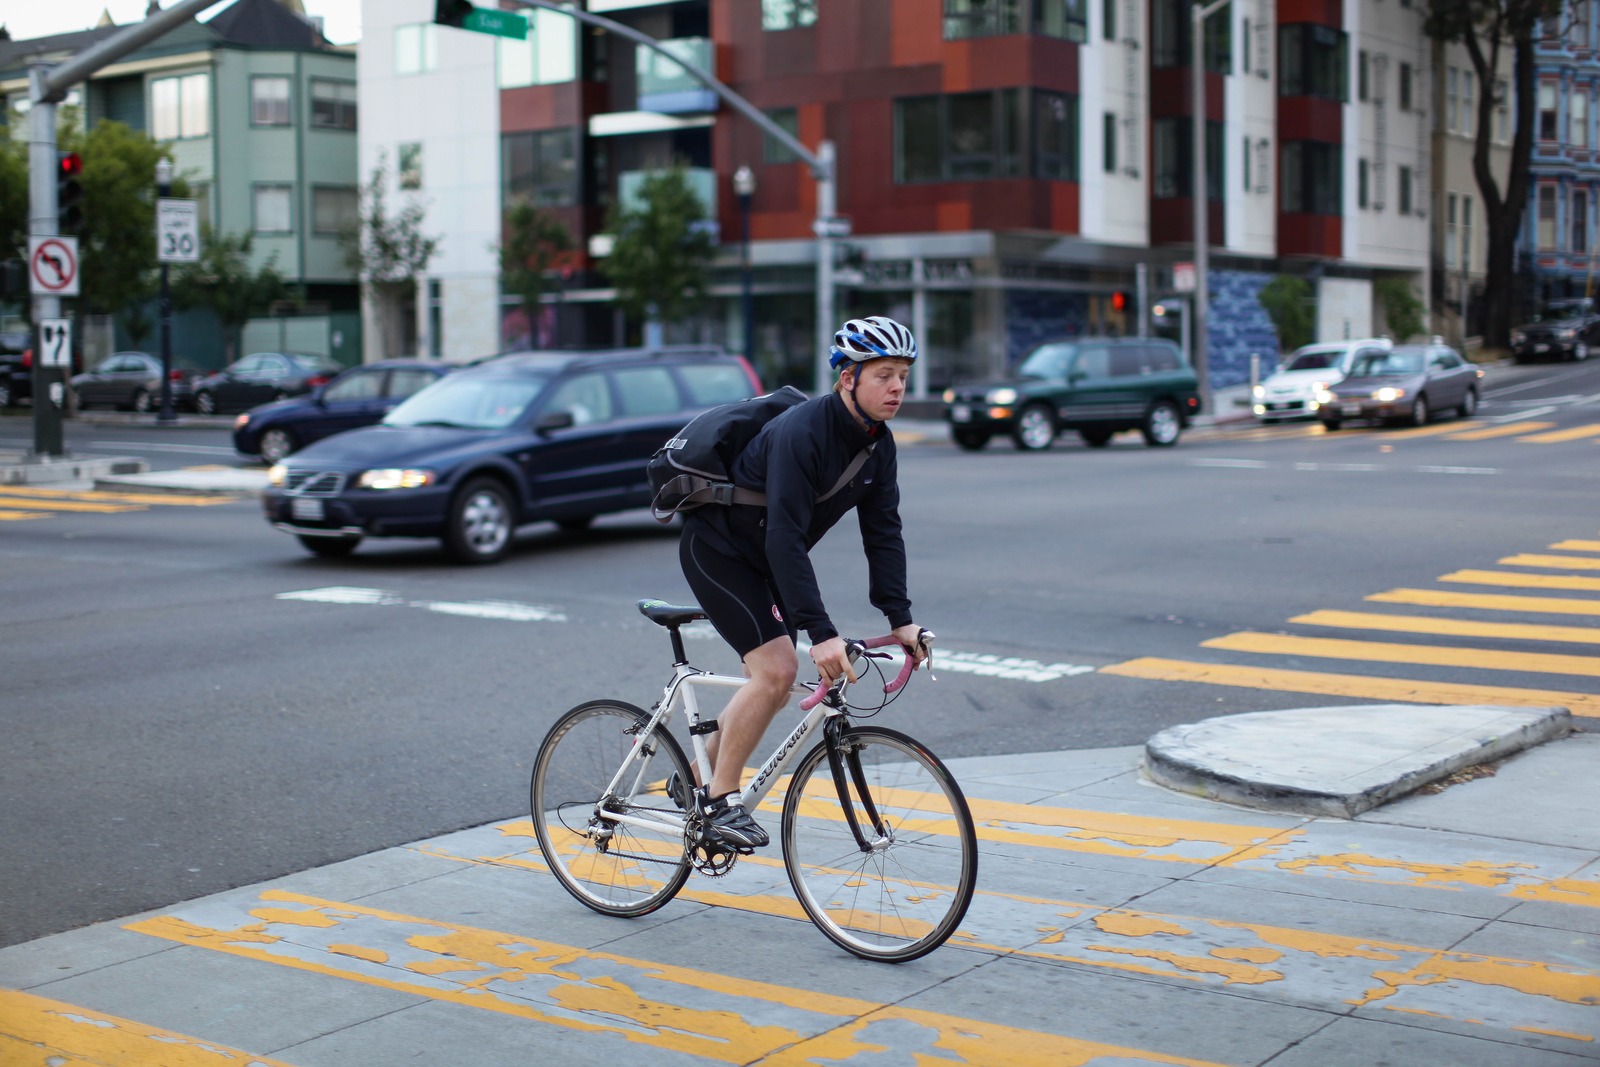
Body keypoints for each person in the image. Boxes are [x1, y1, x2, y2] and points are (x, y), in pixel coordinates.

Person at [677, 315, 928, 850]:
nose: (898, 387)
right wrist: (821, 631)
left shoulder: (878, 446)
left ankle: (697, 785)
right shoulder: (802, 432)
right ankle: (720, 803)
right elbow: (785, 536)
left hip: (767, 557)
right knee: (777, 671)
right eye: (883, 374)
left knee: (773, 678)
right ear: (847, 379)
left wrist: (901, 620)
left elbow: (884, 533)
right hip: (719, 551)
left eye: (903, 374)